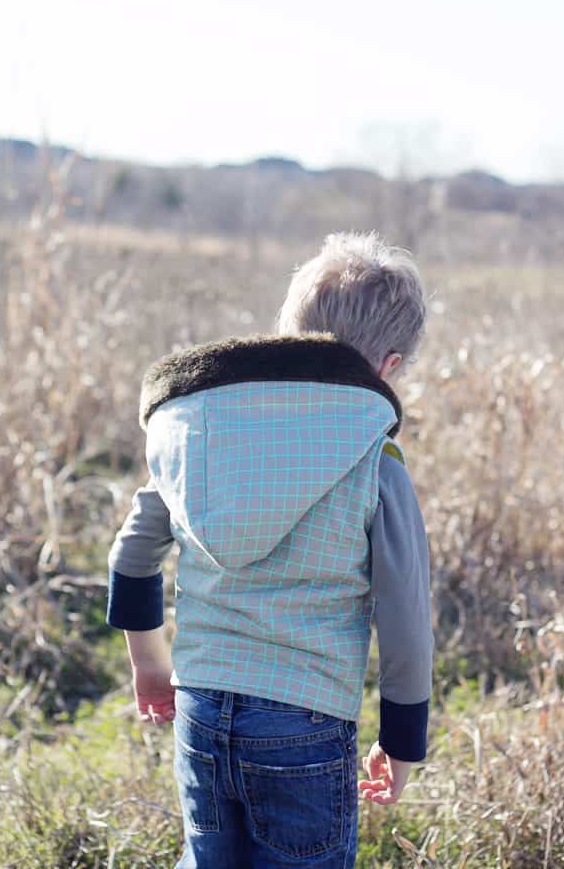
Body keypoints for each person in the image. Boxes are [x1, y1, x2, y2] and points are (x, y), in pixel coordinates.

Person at [106, 230, 435, 868]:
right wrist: (402, 741)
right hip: (304, 725)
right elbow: (406, 621)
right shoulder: (376, 457)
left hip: (199, 701)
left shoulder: (197, 431)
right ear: (390, 367)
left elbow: (132, 555)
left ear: (287, 329)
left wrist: (150, 663)